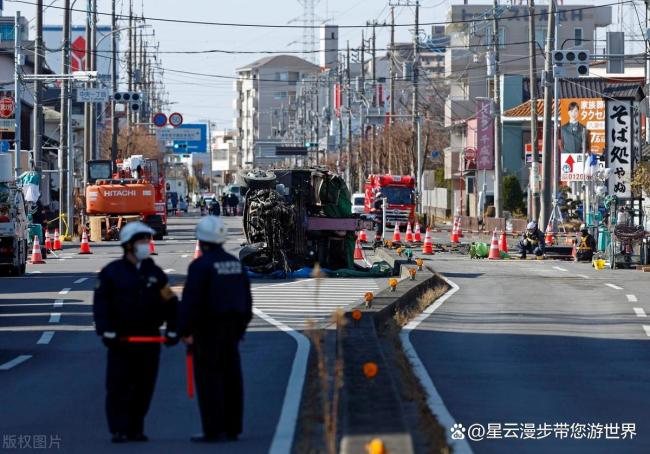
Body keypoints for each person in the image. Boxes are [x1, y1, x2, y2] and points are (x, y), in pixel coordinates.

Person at [93, 222, 179, 443]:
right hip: (120, 340)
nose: (146, 245)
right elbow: (101, 305)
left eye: (146, 241)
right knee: (118, 386)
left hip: (149, 339)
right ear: (129, 245)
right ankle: (119, 429)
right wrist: (106, 330)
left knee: (144, 386)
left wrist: (173, 330)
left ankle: (136, 427)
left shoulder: (155, 273)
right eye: (142, 241)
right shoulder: (112, 273)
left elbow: (170, 302)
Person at [179, 216, 253, 443]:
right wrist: (241, 328)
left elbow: (191, 301)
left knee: (209, 380)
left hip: (207, 330)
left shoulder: (200, 266)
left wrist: (185, 330)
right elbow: (246, 299)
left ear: (201, 241)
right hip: (232, 329)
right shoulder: (235, 264)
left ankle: (213, 429)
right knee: (232, 377)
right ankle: (233, 428)